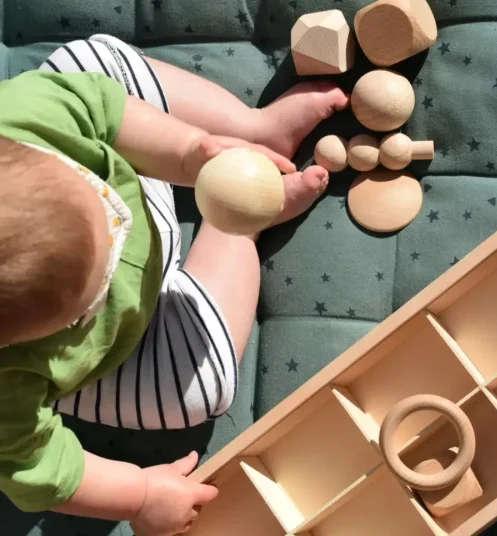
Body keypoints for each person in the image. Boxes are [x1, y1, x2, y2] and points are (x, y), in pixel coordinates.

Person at [0, 34, 348, 535]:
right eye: (86, 298)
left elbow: (101, 106)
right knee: (194, 390)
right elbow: (41, 470)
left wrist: (192, 152)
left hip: (144, 169)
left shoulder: (23, 119)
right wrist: (141, 496)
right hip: (119, 345)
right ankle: (237, 229)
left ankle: (255, 129)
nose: (112, 265)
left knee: (88, 62)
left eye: (100, 210)